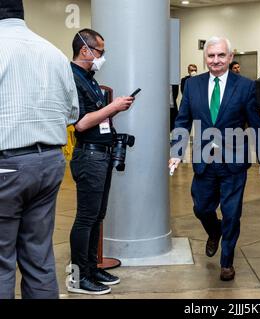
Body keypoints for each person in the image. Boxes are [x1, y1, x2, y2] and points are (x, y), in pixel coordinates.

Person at [169, 36, 260, 281]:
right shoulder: (193, 86)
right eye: (211, 56)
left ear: (230, 57)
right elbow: (183, 120)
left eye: (221, 55)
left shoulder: (246, 86)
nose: (215, 60)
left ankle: (227, 262)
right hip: (204, 160)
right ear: (205, 58)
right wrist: (176, 152)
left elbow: (256, 125)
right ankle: (214, 231)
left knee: (232, 213)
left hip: (234, 161)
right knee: (202, 207)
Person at [0, 0, 79, 299]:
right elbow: (72, 114)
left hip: (6, 166)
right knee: (39, 257)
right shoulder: (53, 52)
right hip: (49, 163)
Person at [68, 29, 136, 295]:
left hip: (102, 154)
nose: (101, 57)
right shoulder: (72, 77)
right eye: (100, 52)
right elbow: (81, 123)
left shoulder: (90, 78)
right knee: (85, 218)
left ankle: (91, 267)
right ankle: (78, 277)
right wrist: (113, 107)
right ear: (85, 50)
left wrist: (112, 111)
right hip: (89, 156)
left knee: (97, 216)